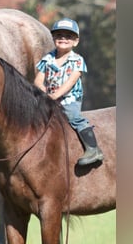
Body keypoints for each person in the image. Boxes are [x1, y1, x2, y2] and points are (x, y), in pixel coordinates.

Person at [34, 18, 104, 166]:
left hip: (69, 99)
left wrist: (55, 96)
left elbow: (70, 82)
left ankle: (93, 149)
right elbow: (38, 81)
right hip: (49, 98)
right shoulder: (47, 59)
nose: (63, 39)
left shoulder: (77, 60)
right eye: (59, 35)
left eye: (68, 36)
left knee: (74, 117)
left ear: (76, 41)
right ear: (53, 38)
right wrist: (45, 93)